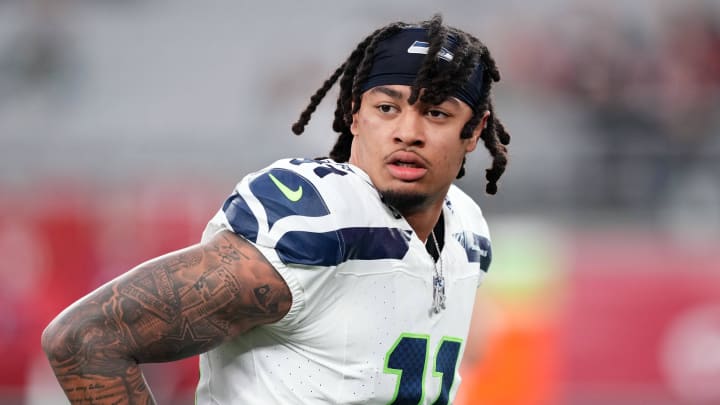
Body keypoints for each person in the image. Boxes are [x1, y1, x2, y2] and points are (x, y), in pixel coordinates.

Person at [41, 13, 511, 404]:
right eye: (388, 108)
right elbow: (87, 338)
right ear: (354, 113)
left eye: (437, 113)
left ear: (474, 132)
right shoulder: (317, 221)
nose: (408, 131)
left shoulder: (467, 230)